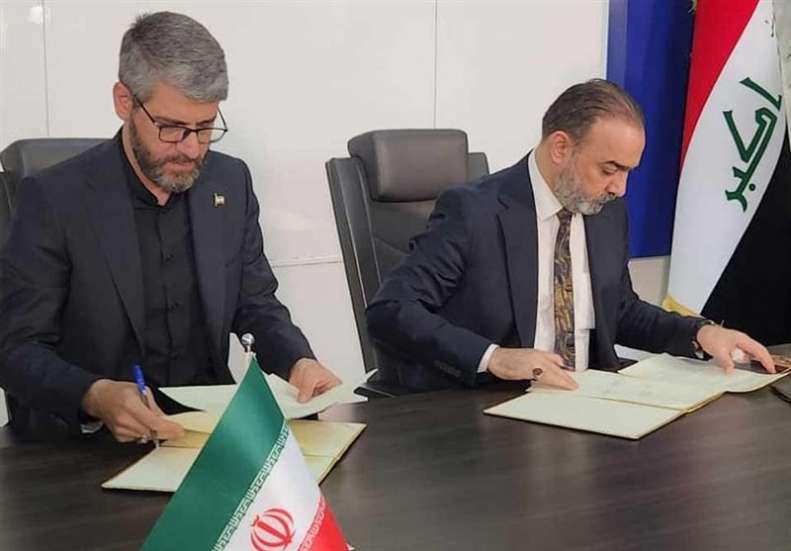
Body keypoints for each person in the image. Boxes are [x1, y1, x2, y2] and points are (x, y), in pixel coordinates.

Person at [0, 12, 340, 442]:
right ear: (124, 102)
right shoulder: (55, 198)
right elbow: (16, 347)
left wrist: (297, 361)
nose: (192, 148)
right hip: (90, 446)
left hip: (206, 432)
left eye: (205, 127)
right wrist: (93, 395)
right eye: (172, 128)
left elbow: (255, 303)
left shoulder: (229, 182)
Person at [366, 79, 775, 392]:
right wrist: (494, 357)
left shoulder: (606, 211)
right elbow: (390, 309)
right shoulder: (474, 210)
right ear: (560, 147)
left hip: (588, 400)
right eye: (609, 169)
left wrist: (701, 333)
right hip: (496, 406)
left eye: (628, 172)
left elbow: (619, 311)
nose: (620, 188)